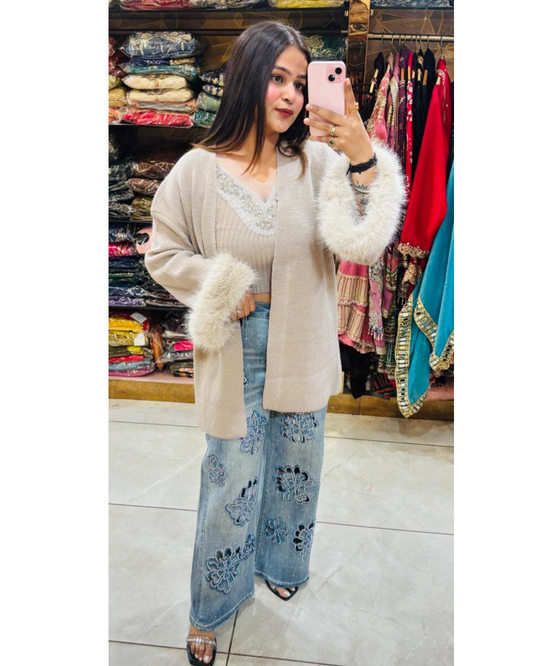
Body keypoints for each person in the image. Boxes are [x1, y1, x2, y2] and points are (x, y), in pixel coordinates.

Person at [145, 20, 405, 666]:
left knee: (296, 467)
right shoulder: (196, 171)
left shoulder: (316, 164)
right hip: (234, 345)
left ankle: (283, 562)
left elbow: (364, 241)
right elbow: (162, 254)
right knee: (229, 477)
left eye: (299, 81)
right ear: (244, 79)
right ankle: (211, 605)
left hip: (301, 338)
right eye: (276, 77)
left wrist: (362, 156)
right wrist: (217, 280)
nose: (290, 94)